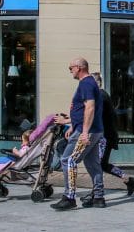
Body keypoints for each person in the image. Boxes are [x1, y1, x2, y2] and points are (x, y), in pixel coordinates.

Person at [51, 57, 105, 210]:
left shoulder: (86, 83)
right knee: (92, 163)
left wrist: (84, 132)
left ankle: (69, 197)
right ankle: (99, 197)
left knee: (68, 160)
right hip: (93, 130)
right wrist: (72, 126)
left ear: (79, 67)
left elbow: (90, 108)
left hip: (86, 131)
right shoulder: (90, 83)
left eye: (71, 68)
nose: (70, 71)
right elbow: (81, 111)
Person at [80, 72, 134, 206]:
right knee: (102, 164)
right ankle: (129, 180)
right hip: (106, 136)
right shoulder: (101, 95)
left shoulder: (100, 96)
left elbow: (93, 117)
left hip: (105, 137)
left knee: (97, 165)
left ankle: (96, 195)